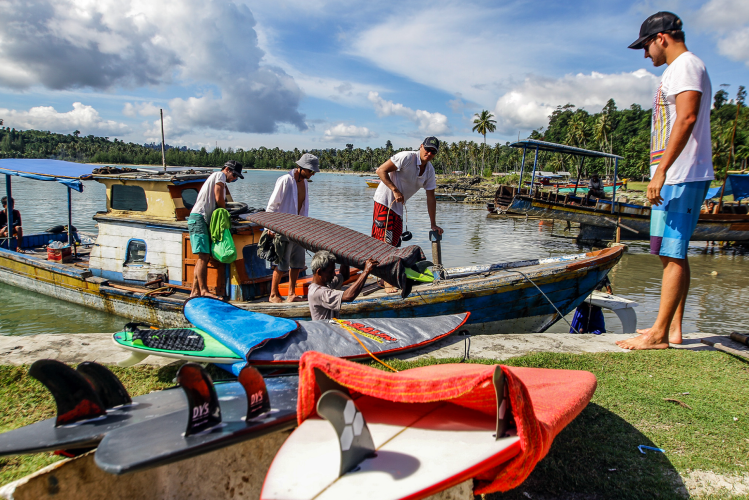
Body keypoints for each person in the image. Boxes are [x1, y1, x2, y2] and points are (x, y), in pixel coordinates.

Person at [617, 12, 713, 350]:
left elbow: (686, 117)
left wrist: (661, 172)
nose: (646, 55)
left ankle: (659, 334)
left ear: (662, 38)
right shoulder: (677, 70)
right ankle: (671, 329)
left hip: (682, 174)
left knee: (673, 253)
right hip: (674, 174)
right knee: (667, 253)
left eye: (645, 46)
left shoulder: (687, 65)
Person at [371, 137, 443, 292]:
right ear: (421, 146)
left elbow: (430, 198)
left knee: (396, 242)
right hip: (384, 201)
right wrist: (395, 190)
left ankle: (389, 274)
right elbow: (380, 170)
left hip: (398, 207)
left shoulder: (429, 170)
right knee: (384, 240)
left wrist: (433, 223)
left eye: (433, 152)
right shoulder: (407, 157)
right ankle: (385, 280)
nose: (429, 153)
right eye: (427, 149)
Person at [266, 153, 319, 303]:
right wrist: (270, 227)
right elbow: (272, 205)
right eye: (310, 171)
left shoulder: (305, 183)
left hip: (298, 228)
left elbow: (303, 207)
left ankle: (291, 293)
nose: (312, 174)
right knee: (281, 263)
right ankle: (273, 295)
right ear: (301, 168)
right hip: (282, 228)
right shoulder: (285, 180)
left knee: (297, 264)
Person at [188, 160, 243, 298]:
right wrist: (224, 213)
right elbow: (219, 197)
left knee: (203, 257)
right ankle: (204, 290)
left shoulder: (219, 177)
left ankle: (194, 292)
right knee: (204, 256)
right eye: (234, 175)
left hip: (201, 218)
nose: (234, 178)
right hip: (199, 217)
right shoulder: (220, 176)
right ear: (227, 169)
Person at [308, 251, 378, 321]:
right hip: (327, 331)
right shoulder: (317, 292)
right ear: (319, 272)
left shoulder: (327, 284)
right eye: (331, 271)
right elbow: (348, 296)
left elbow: (344, 276)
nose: (334, 274)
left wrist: (344, 258)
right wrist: (366, 271)